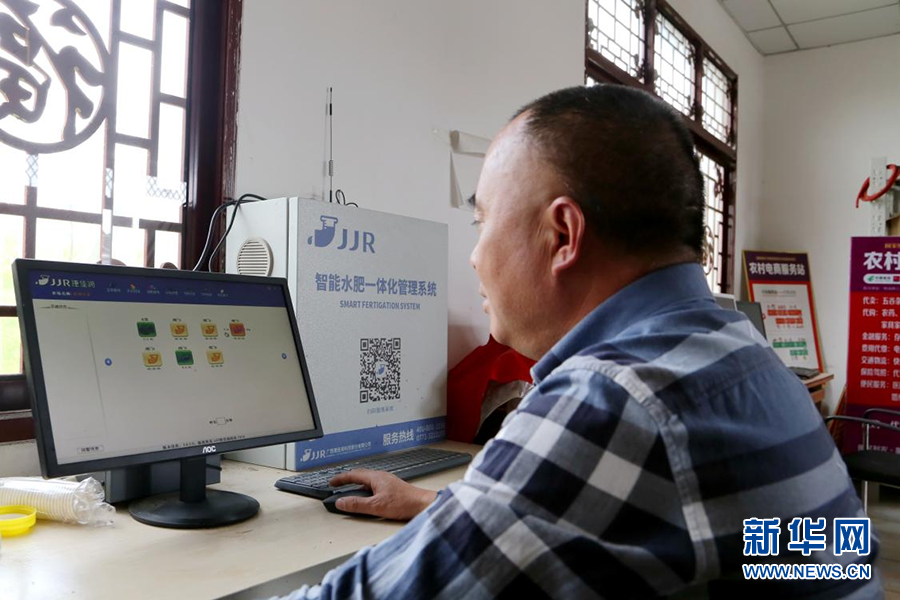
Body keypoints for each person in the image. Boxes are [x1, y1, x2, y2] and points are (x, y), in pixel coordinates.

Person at [279, 85, 880, 598]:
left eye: (482, 223)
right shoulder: (741, 350)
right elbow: (742, 543)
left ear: (563, 234)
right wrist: (438, 506)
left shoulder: (616, 396)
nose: (474, 256)